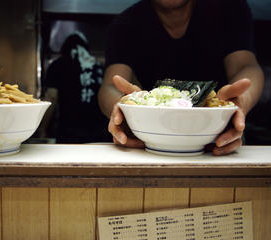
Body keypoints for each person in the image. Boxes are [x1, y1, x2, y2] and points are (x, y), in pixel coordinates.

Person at [98, 0, 264, 155]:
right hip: (153, 139)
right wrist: (123, 109)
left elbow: (245, 66)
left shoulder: (228, 8)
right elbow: (111, 85)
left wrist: (240, 102)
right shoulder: (125, 26)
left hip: (218, 136)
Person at [43, 32, 111, 143]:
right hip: (99, 135)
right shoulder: (99, 67)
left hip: (68, 134)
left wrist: (42, 128)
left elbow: (51, 97)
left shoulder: (57, 65)